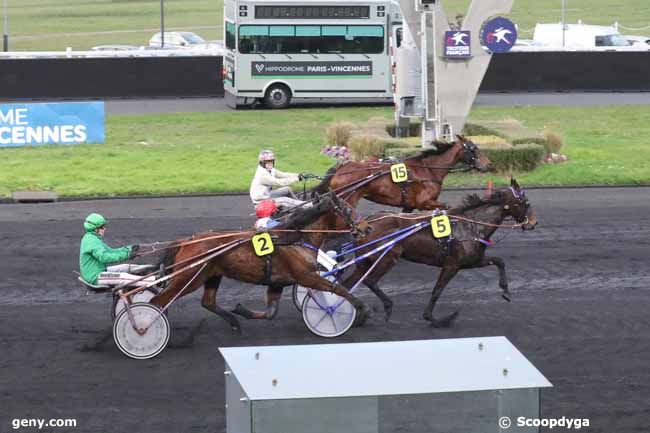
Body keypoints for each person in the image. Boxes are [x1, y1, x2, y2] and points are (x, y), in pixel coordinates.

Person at [79, 213, 153, 287]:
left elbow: (111, 251)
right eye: (102, 227)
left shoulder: (91, 238)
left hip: (99, 271)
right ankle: (155, 280)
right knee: (124, 277)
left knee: (126, 267)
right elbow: (104, 257)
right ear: (95, 229)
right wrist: (127, 255)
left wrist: (130, 249)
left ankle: (153, 268)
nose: (105, 229)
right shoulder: (92, 241)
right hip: (95, 277)